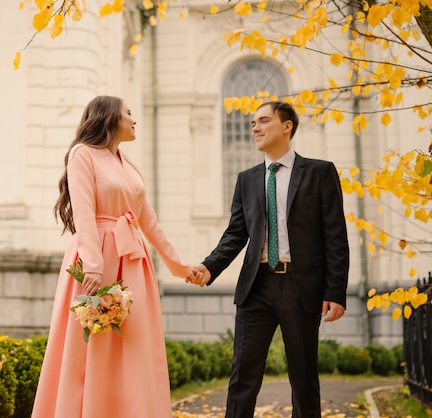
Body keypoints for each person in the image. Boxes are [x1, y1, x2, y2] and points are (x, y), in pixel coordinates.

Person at [31, 95, 195, 418]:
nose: (134, 120)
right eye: (128, 114)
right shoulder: (83, 154)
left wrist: (179, 267)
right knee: (95, 347)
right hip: (98, 260)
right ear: (109, 118)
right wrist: (92, 264)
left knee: (133, 348)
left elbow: (149, 222)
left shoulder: (129, 165)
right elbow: (84, 211)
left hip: (134, 263)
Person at [190, 101, 350, 418]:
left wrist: (335, 291)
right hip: (256, 286)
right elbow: (236, 234)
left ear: (286, 125)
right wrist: (209, 267)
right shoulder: (247, 179)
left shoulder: (320, 172)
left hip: (300, 287)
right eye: (252, 124)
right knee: (242, 378)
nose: (256, 128)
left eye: (264, 121)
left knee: (304, 379)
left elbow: (335, 235)